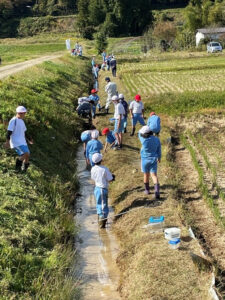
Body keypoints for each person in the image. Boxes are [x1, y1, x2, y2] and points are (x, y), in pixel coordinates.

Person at [4, 106, 32, 172]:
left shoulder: (22, 121)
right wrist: (7, 142)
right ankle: (17, 168)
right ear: (20, 113)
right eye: (24, 113)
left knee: (27, 155)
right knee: (25, 154)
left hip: (22, 141)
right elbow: (9, 132)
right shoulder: (13, 120)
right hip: (16, 142)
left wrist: (29, 139)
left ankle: (24, 169)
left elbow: (24, 132)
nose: (25, 115)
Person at [91, 153, 115, 228]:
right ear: (101, 160)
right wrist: (113, 177)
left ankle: (100, 221)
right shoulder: (104, 169)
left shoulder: (93, 169)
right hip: (102, 189)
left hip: (96, 188)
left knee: (99, 205)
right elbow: (110, 179)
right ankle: (102, 223)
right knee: (103, 206)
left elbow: (93, 178)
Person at [138, 125, 161, 198]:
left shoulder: (143, 140)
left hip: (144, 160)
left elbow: (139, 133)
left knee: (146, 174)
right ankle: (157, 191)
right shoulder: (157, 139)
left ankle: (147, 190)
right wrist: (159, 157)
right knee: (154, 175)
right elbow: (159, 149)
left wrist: (141, 130)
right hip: (153, 159)